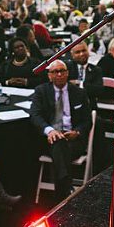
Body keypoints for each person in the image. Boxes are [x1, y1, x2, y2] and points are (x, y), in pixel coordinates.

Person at [29, 60, 92, 200]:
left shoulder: (79, 93)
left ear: (67, 73)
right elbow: (35, 115)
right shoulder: (41, 91)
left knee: (60, 147)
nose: (59, 74)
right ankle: (66, 188)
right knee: (58, 144)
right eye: (55, 72)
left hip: (73, 139)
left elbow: (88, 120)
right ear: (49, 75)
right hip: (50, 139)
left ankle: (62, 193)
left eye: (62, 71)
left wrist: (77, 132)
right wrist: (50, 131)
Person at [64, 41, 104, 108]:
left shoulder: (96, 70)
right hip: (69, 104)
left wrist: (79, 83)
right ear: (72, 55)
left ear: (88, 52)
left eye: (84, 50)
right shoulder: (66, 68)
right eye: (78, 52)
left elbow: (98, 90)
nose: (82, 54)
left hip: (89, 105)